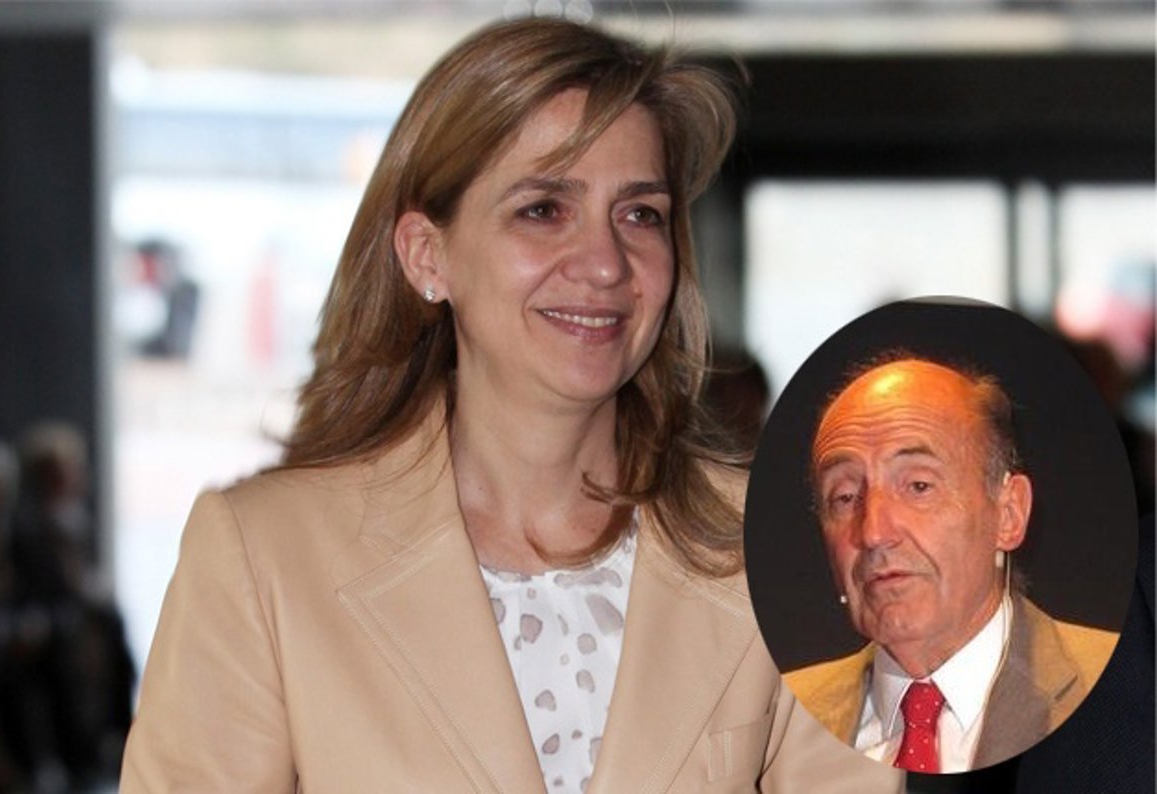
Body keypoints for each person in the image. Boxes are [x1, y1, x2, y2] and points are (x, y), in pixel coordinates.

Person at [119, 17, 901, 793]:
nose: (605, 264)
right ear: (427, 255)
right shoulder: (265, 557)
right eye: (544, 209)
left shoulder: (789, 557)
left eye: (639, 214)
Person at [785, 356, 1120, 773]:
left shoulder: (1124, 681)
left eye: (918, 486)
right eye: (845, 497)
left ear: (1009, 514)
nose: (873, 532)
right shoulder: (780, 716)